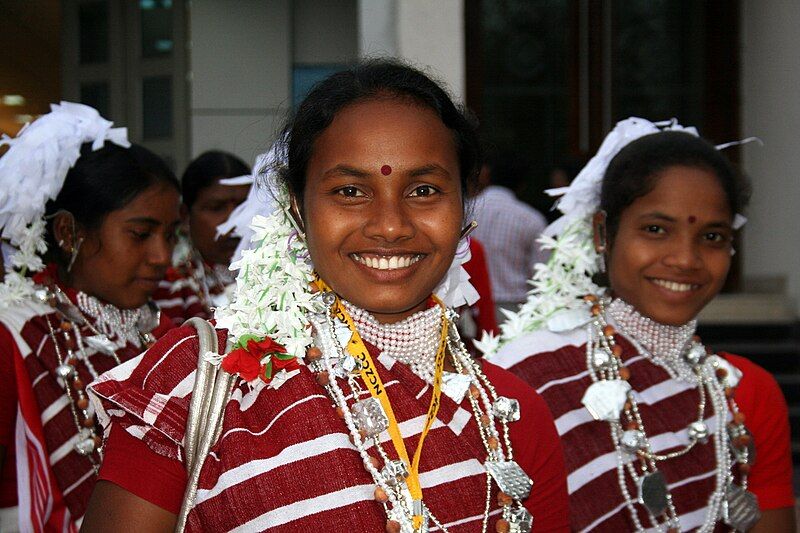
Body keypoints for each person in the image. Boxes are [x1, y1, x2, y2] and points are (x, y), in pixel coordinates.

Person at [81, 60, 569, 532]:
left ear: (464, 207)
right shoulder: (192, 385)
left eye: (423, 190)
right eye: (350, 191)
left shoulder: (510, 414)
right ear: (297, 208)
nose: (391, 226)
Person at [482, 118, 796, 532]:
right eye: (655, 229)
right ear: (602, 233)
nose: (685, 258)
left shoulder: (744, 394)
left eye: (712, 237)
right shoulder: (527, 377)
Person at [0, 103, 182, 531]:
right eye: (140, 234)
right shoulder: (18, 332)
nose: (162, 257)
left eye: (172, 235)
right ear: (69, 232)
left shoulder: (167, 336)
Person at [153, 151, 252, 324]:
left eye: (244, 207)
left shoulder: (282, 270)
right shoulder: (167, 284)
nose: (234, 222)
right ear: (185, 215)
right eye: (216, 207)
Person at [473, 151, 549, 323]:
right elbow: (542, 275)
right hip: (516, 313)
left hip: (470, 309)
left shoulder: (463, 212)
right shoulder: (530, 219)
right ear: (522, 184)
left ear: (486, 175)